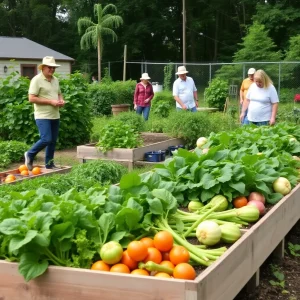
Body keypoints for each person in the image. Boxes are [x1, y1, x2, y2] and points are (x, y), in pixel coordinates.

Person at [24, 56, 65, 170]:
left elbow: (59, 93)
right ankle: (30, 154)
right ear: (43, 67)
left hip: (55, 115)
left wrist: (61, 100)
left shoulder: (55, 80)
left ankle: (49, 164)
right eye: (49, 67)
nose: (52, 69)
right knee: (46, 139)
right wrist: (50, 102)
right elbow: (31, 98)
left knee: (52, 141)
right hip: (42, 115)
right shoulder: (36, 80)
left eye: (53, 68)